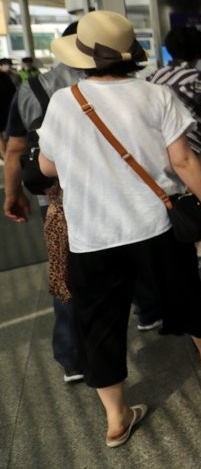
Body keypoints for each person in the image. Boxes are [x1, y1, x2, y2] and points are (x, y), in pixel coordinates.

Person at [36, 10, 201, 448]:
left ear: (84, 57)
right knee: (181, 291)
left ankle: (116, 417)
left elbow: (47, 166)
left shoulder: (64, 102)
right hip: (154, 224)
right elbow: (182, 161)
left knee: (100, 323)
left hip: (92, 234)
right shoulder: (155, 96)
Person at [3, 23, 86, 383]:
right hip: (104, 190)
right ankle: (149, 310)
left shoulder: (29, 88)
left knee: (64, 268)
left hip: (52, 195)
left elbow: (16, 149)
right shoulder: (110, 82)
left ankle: (72, 357)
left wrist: (12, 193)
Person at [147, 25, 201, 268]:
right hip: (193, 144)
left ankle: (178, 243)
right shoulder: (196, 77)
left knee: (172, 193)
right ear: (198, 51)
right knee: (199, 192)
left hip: (162, 145)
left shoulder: (155, 76)